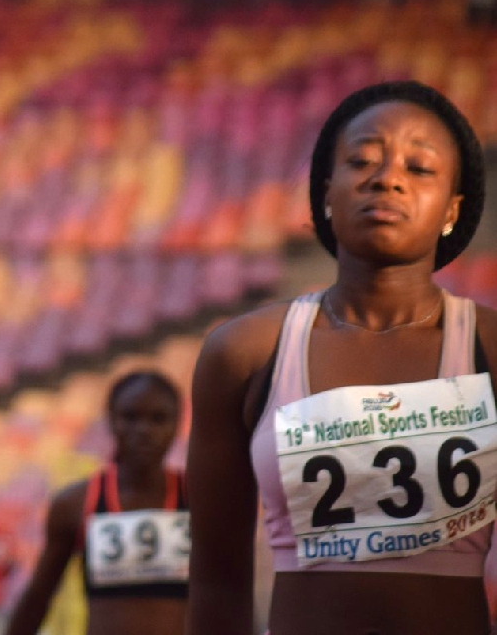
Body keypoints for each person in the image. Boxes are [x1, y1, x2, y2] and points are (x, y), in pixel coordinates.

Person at [187, 80, 493, 635]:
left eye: (419, 168)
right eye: (362, 161)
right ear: (327, 192)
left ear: (453, 208)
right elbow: (216, 582)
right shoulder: (242, 353)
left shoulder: (490, 349)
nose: (387, 178)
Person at [4, 371, 188, 635]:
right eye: (130, 417)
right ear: (111, 420)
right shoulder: (76, 504)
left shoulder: (197, 499)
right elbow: (38, 598)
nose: (144, 430)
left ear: (177, 422)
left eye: (158, 419)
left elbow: (226, 590)